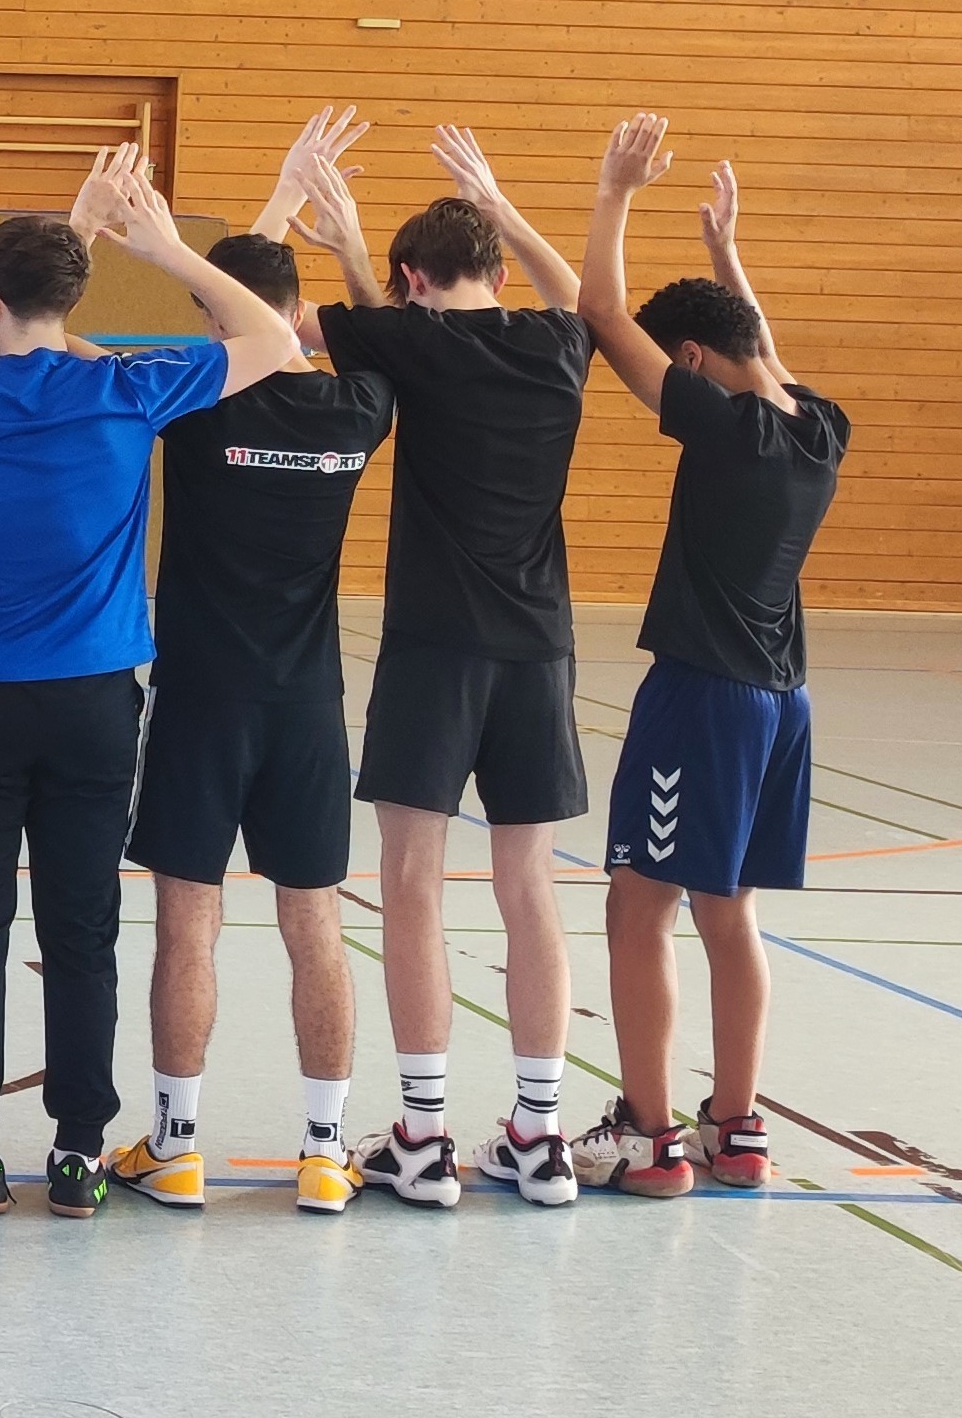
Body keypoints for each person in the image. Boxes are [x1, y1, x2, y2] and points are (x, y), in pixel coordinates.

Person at [0, 146, 303, 1219]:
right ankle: (76, 1153)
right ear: (73, 300)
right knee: (81, 934)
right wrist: (166, 249)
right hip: (93, 704)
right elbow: (276, 340)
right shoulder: (129, 386)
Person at [293, 129, 597, 1208]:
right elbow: (580, 297)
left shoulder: (409, 341)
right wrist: (501, 201)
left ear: (410, 280)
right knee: (529, 887)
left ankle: (422, 1138)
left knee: (411, 883)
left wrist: (341, 247)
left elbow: (320, 329)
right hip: (538, 650)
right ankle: (541, 1134)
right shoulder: (558, 344)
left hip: (434, 650)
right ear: (500, 273)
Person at [101, 111, 390, 1219]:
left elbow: (209, 328)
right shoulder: (362, 406)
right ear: (300, 310)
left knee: (189, 919)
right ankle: (324, 1151)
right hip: (305, 704)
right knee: (314, 923)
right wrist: (295, 210)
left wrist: (183, 243)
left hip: (200, 698)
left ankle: (175, 1146)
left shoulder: (194, 396)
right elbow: (280, 316)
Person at [568, 123, 846, 1200]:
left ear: (686, 359)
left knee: (637, 904)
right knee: (728, 914)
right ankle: (736, 1129)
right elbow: (757, 347)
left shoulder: (727, 429)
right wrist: (728, 258)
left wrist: (614, 191)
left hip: (704, 697)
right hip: (783, 701)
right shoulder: (817, 426)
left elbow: (601, 313)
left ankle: (648, 1139)